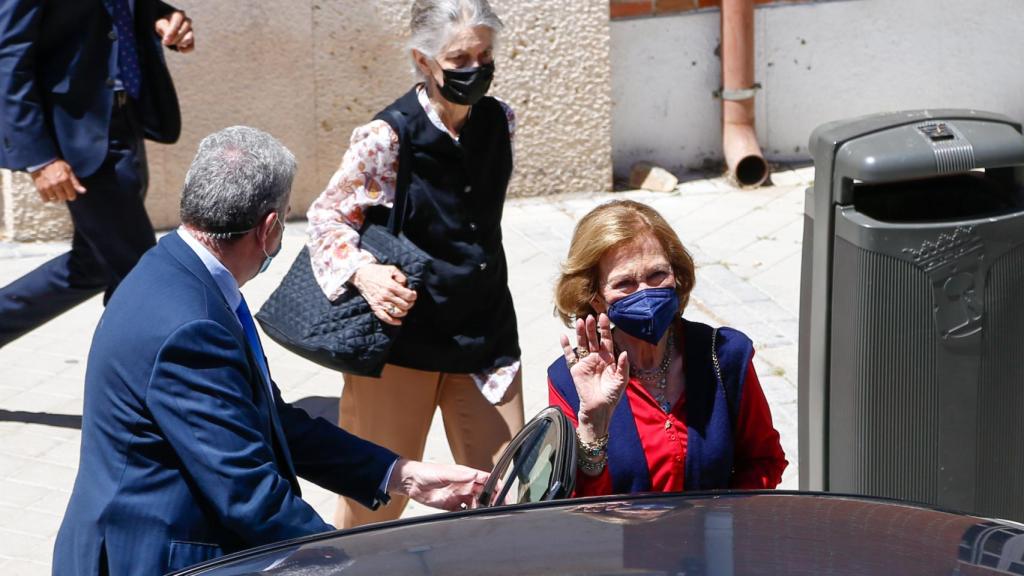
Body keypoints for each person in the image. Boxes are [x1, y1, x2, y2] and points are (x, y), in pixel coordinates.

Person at [52, 127, 488, 576]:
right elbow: (246, 492)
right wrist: (346, 562)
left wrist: (401, 474)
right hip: (150, 557)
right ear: (269, 228)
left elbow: (267, 418)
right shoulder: (193, 325)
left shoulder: (178, 271)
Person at [306, 0, 524, 528]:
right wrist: (363, 270)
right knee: (372, 505)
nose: (475, 69)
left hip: (484, 338)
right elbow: (325, 217)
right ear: (424, 61)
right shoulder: (386, 137)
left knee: (507, 498)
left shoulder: (502, 121)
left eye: (484, 54)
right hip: (400, 348)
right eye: (459, 58)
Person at [548, 200, 787, 495]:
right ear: (597, 298)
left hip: (713, 537)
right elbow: (572, 505)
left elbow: (764, 461)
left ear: (676, 274)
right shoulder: (571, 380)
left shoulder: (724, 356)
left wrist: (724, 522)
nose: (646, 293)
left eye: (657, 275)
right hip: (623, 540)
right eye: (625, 283)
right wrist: (593, 425)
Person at [0, 0, 194, 348]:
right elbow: (7, 57)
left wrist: (162, 16)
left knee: (93, 266)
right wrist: (40, 158)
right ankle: (148, 388)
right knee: (143, 276)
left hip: (125, 123)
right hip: (75, 137)